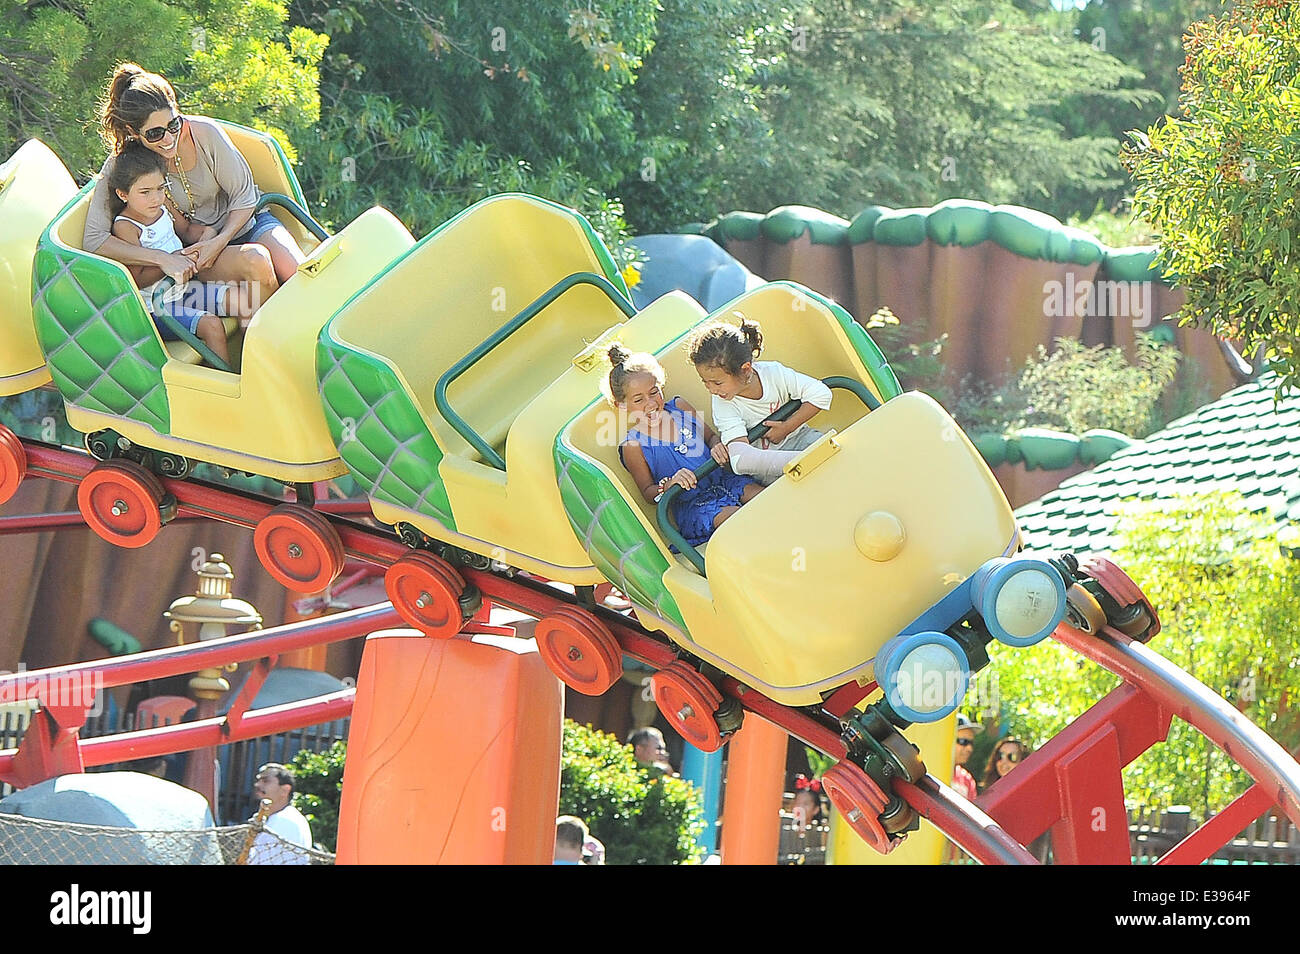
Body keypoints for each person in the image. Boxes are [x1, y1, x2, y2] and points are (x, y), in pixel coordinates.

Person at [85, 63, 306, 306]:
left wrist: (218, 241)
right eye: (155, 134)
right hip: (196, 251)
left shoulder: (205, 134)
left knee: (301, 274)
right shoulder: (126, 163)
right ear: (133, 131)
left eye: (173, 125)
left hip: (245, 224)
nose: (169, 139)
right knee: (255, 260)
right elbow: (95, 240)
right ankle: (268, 339)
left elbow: (244, 197)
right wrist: (161, 258)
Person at [108, 143, 257, 366]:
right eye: (145, 192)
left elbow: (187, 230)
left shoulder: (162, 207)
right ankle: (225, 386)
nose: (156, 198)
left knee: (242, 300)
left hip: (184, 290)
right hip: (157, 307)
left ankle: (254, 364)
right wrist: (171, 261)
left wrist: (207, 235)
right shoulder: (126, 226)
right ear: (123, 194)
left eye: (160, 188)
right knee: (211, 325)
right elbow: (137, 279)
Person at [607, 344, 760, 548]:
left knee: (764, 499)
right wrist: (669, 484)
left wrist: (717, 446)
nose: (650, 403)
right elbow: (647, 493)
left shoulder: (679, 407)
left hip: (725, 480)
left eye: (654, 392)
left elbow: (711, 437)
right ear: (622, 405)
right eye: (638, 399)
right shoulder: (633, 446)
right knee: (739, 519)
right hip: (694, 505)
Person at [688, 313, 833, 485]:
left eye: (717, 382)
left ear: (745, 369)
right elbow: (741, 458)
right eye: (705, 382)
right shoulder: (723, 403)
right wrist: (803, 459)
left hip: (801, 438)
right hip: (769, 467)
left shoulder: (774, 373)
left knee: (834, 459)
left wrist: (787, 427)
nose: (711, 389)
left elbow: (821, 394)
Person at [247, 763, 312, 865]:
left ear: (285, 790)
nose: (257, 785)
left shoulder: (285, 821)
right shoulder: (279, 818)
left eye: (265, 781)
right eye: (258, 780)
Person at [951, 713, 982, 801]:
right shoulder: (930, 769)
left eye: (971, 743)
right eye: (963, 741)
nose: (969, 748)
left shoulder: (967, 779)